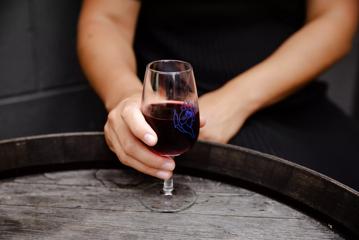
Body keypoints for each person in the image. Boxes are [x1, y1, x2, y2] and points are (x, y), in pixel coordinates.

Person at [77, 0, 359, 190]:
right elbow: (106, 19)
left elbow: (336, 16)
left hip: (289, 101)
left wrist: (235, 100)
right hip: (165, 109)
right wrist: (126, 98)